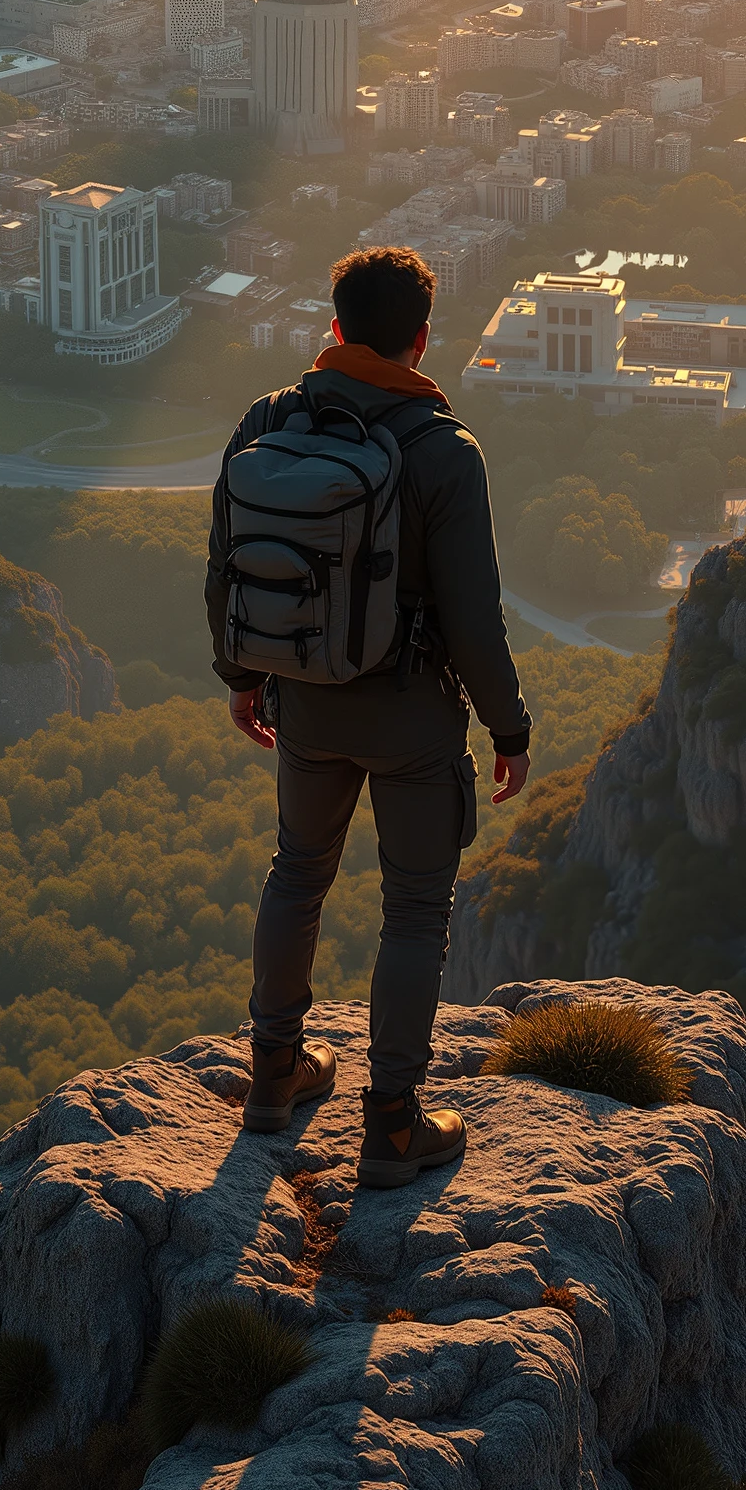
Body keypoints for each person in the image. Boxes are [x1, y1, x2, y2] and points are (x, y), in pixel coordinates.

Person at [206, 242, 530, 1188]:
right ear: (422, 341)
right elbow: (475, 616)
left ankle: (275, 1074)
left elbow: (227, 565)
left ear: (335, 326)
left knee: (296, 873)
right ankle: (391, 1121)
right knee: (416, 912)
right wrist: (508, 728)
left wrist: (242, 673)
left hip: (304, 697)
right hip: (412, 717)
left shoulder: (269, 421)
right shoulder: (442, 451)